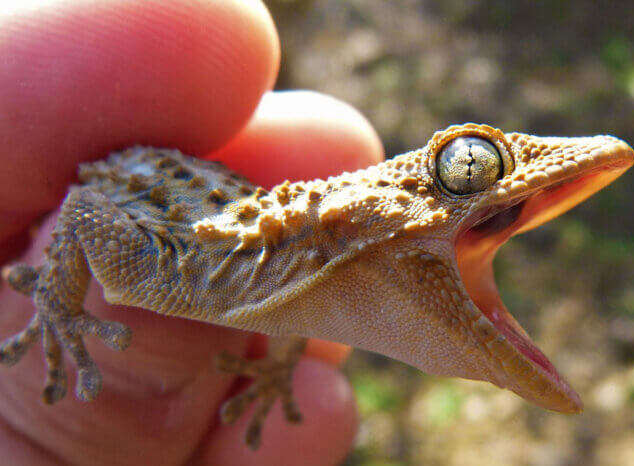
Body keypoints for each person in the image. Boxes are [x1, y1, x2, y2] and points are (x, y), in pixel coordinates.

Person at [0, 1, 383, 464]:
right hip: (123, 183)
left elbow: (295, 314)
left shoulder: (290, 282)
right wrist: (59, 303)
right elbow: (81, 210)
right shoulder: (191, 261)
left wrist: (277, 368)